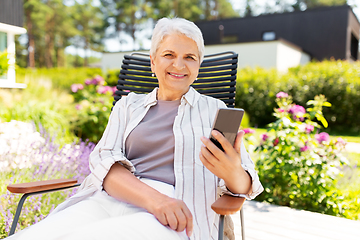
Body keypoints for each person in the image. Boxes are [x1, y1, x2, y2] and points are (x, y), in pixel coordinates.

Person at [6, 17, 263, 240]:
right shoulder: (128, 105)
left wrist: (232, 172)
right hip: (112, 198)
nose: (179, 65)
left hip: (176, 211)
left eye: (189, 57)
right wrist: (154, 200)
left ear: (198, 66)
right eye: (169, 55)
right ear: (153, 62)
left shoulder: (215, 110)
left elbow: (246, 183)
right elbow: (104, 160)